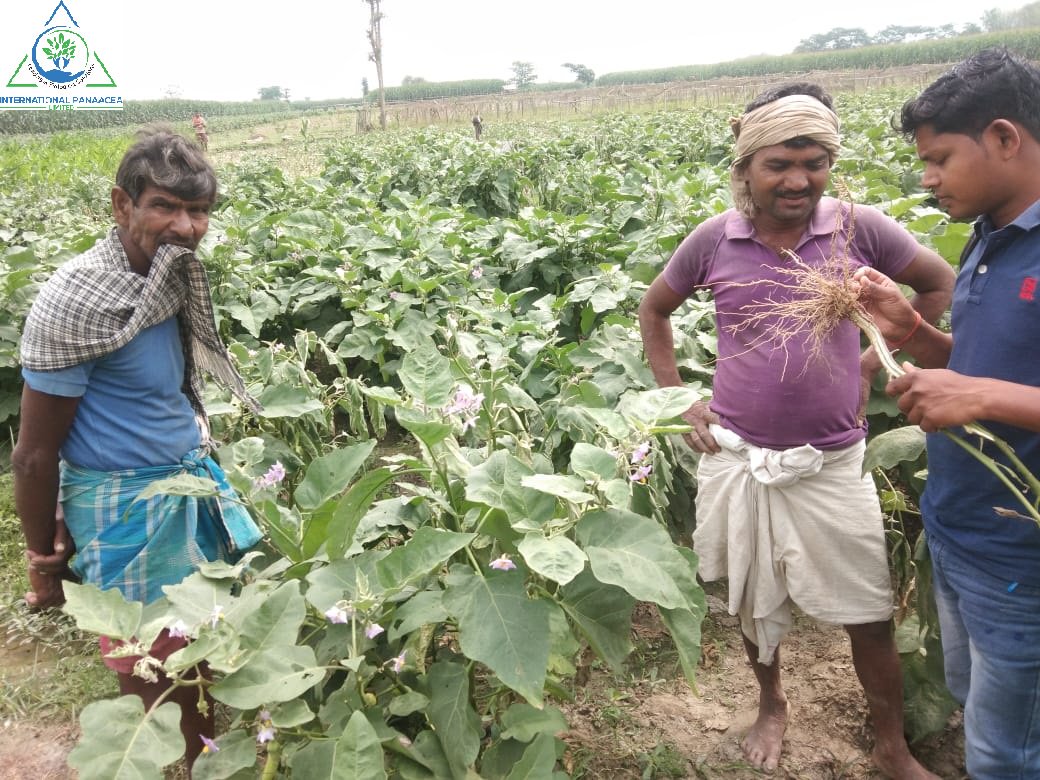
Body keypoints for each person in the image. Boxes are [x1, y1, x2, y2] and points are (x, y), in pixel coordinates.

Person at [638, 83, 954, 777]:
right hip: (738, 457)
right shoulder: (715, 241)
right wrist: (679, 400)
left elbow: (939, 282)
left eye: (814, 163)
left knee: (868, 608)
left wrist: (876, 357)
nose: (798, 180)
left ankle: (891, 745)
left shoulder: (855, 229)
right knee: (754, 601)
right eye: (779, 163)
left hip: (832, 461)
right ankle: (771, 703)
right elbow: (653, 310)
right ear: (746, 166)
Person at [11, 128, 261, 769]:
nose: (186, 226)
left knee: (204, 649)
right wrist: (44, 558)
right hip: (128, 512)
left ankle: (204, 754)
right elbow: (36, 455)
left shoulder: (164, 278)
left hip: (190, 484)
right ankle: (186, 762)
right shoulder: (76, 301)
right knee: (159, 672)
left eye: (198, 211)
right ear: (122, 205)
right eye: (165, 207)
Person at [854, 48, 1040, 778]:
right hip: (961, 524)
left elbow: (987, 388)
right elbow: (983, 360)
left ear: (1004, 137)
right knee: (975, 702)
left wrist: (982, 398)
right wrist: (915, 337)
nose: (926, 179)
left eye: (939, 159)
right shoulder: (991, 235)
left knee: (1005, 751)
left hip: (1023, 550)